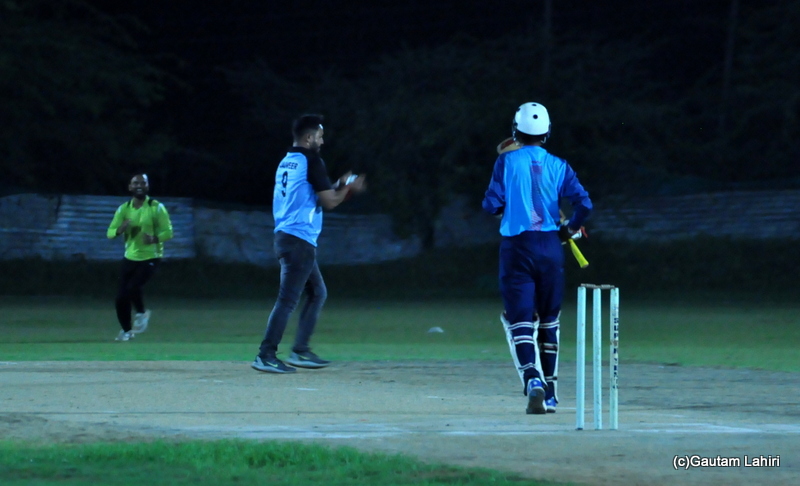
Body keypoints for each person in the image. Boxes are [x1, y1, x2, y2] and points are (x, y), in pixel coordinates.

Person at [482, 102, 592, 414]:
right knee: (549, 321)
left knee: (519, 321)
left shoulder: (505, 162)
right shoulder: (559, 165)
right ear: (546, 132)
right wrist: (569, 228)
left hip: (518, 247)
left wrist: (507, 207)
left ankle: (533, 379)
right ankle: (553, 394)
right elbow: (585, 204)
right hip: (551, 247)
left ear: (516, 130)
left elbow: (490, 205)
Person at [252, 114, 366, 374]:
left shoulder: (288, 161)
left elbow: (310, 193)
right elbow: (329, 202)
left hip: (286, 235)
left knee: (317, 293)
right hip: (298, 239)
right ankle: (266, 354)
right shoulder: (312, 160)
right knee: (288, 300)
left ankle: (300, 351)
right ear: (309, 137)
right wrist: (349, 190)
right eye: (320, 136)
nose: (322, 141)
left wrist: (337, 184)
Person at [106, 174, 174, 342]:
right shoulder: (124, 209)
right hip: (130, 257)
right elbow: (110, 233)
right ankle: (127, 331)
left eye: (143, 183)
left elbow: (168, 232)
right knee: (120, 297)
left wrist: (154, 239)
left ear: (147, 187)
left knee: (132, 287)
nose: (139, 186)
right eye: (136, 183)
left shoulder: (156, 207)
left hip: (151, 256)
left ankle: (142, 313)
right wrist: (120, 230)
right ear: (130, 187)